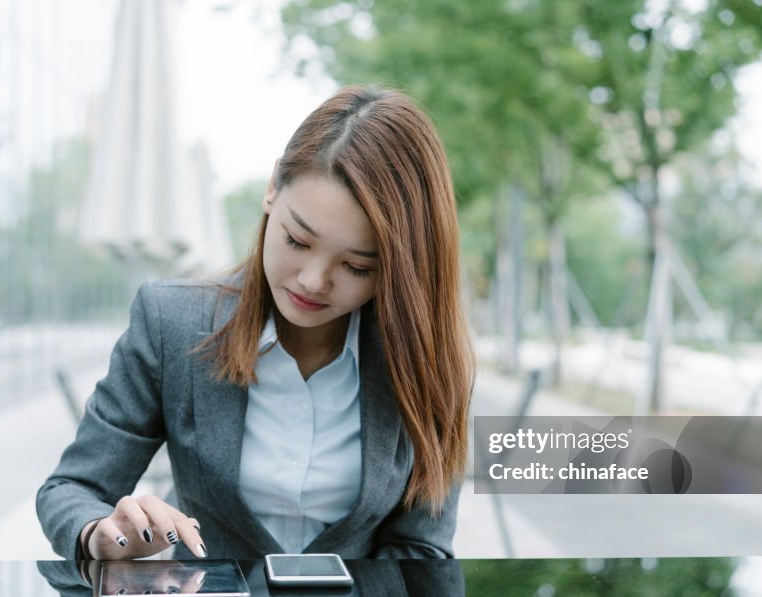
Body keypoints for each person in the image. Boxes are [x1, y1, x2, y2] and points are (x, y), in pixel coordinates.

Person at [36, 84, 474, 562]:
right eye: (297, 240)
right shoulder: (172, 323)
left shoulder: (423, 360)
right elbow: (72, 488)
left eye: (357, 267)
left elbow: (422, 548)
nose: (313, 281)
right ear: (272, 190)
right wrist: (98, 531)